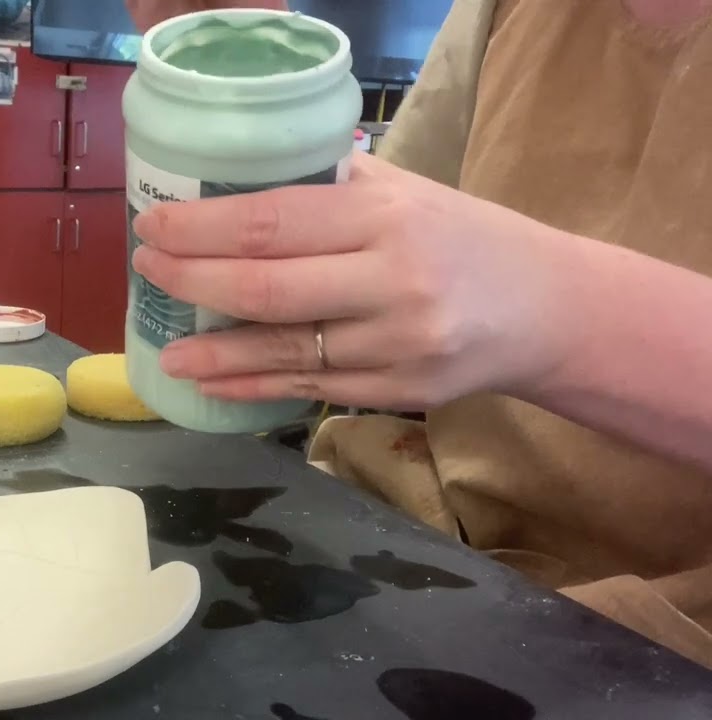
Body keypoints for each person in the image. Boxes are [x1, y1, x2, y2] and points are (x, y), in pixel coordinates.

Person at [126, 0, 712, 668]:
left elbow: (476, 286)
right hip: (428, 543)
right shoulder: (508, 12)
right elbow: (367, 255)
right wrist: (233, 117)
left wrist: (557, 307)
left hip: (667, 641)